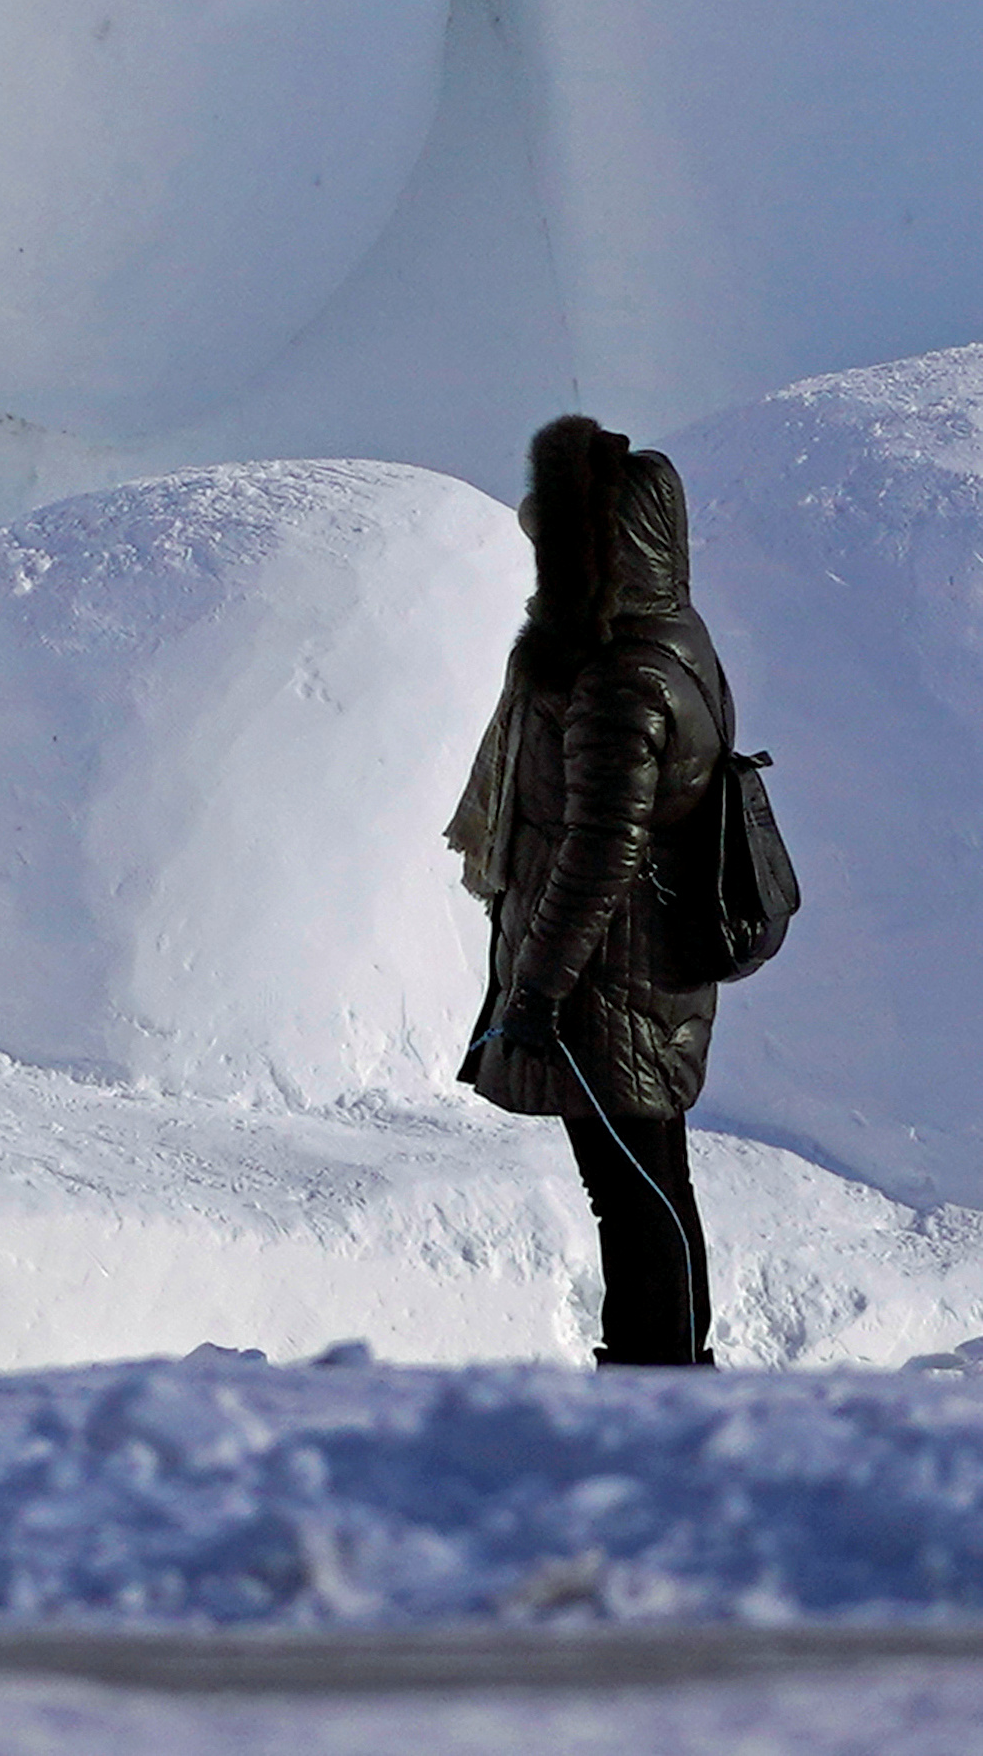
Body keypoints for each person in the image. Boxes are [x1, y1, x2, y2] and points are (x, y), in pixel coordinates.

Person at [449, 415, 735, 1367]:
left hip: (609, 980)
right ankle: (671, 1377)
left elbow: (599, 850)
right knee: (653, 1181)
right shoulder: (668, 639)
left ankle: (655, 1387)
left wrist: (536, 989)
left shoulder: (622, 678)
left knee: (632, 1191)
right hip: (634, 971)